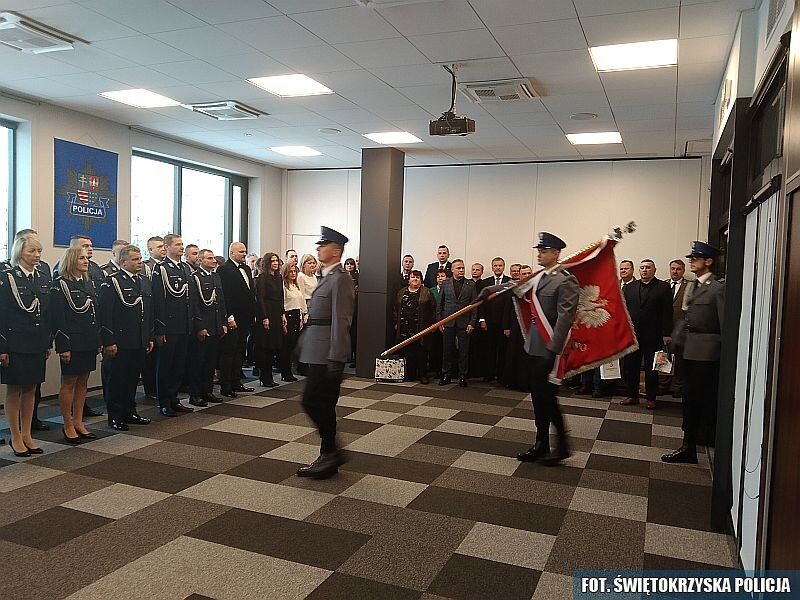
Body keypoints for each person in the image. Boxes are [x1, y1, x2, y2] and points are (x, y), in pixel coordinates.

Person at [492, 233, 579, 465]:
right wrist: (490, 289)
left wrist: (553, 349)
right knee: (538, 399)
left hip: (550, 349)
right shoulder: (539, 277)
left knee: (547, 398)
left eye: (544, 250)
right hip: (534, 345)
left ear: (557, 253)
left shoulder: (566, 280)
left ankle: (562, 445)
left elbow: (565, 318)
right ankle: (541, 443)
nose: (539, 254)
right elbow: (516, 287)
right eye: (539, 250)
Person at [296, 226, 355, 479]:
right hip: (317, 350)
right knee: (325, 406)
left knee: (311, 401)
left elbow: (341, 321)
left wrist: (336, 358)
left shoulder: (340, 279)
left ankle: (332, 451)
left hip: (327, 355)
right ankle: (328, 455)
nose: (318, 248)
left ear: (336, 250)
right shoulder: (327, 276)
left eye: (323, 245)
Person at [662, 242, 724, 464]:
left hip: (707, 353)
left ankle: (694, 445)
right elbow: (686, 318)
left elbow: (724, 324)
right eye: (691, 258)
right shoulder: (693, 287)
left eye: (696, 258)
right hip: (688, 349)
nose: (691, 261)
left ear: (708, 261)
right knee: (689, 399)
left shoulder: (717, 289)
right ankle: (689, 445)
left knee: (699, 399)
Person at [0, 235, 52, 456]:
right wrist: (2, 348)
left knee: (31, 388)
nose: (37, 255)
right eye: (32, 251)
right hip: (15, 342)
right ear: (20, 252)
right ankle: (15, 436)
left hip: (37, 341)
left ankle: (27, 433)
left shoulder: (41, 277)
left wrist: (47, 341)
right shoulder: (8, 277)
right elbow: (2, 313)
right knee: (15, 389)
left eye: (39, 251)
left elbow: (46, 313)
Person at [98, 245, 154, 431]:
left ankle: (130, 411)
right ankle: (115, 416)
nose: (140, 262)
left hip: (138, 339)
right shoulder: (112, 282)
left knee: (132, 379)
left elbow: (148, 313)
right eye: (135, 259)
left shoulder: (144, 281)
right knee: (116, 380)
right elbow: (105, 315)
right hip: (120, 341)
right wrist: (109, 341)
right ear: (123, 262)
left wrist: (148, 337)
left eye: (140, 259)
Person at [51, 246, 101, 443]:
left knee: (83, 382)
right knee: (69, 382)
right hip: (72, 341)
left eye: (85, 258)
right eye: (81, 258)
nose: (86, 261)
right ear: (71, 260)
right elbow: (58, 319)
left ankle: (79, 421)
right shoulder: (60, 285)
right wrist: (63, 346)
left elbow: (94, 316)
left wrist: (98, 340)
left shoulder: (88, 284)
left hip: (88, 339)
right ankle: (67, 424)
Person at [151, 234, 194, 416]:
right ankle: (164, 401)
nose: (181, 247)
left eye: (182, 244)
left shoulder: (185, 268)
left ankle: (174, 398)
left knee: (179, 365)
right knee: (166, 366)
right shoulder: (160, 269)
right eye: (177, 245)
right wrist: (160, 329)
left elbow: (189, 299)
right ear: (167, 247)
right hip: (169, 325)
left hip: (184, 325)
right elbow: (158, 301)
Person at [621, 259, 672, 409]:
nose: (645, 270)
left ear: (654, 270)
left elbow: (668, 312)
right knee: (631, 366)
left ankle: (651, 398)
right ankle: (632, 395)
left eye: (648, 268)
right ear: (638, 270)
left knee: (652, 368)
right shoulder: (629, 287)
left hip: (654, 335)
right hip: (633, 335)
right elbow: (624, 312)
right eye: (642, 267)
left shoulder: (663, 287)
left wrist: (666, 333)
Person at [216, 242, 259, 398]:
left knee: (240, 350)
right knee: (229, 352)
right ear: (231, 253)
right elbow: (225, 296)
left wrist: (253, 313)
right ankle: (226, 386)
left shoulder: (247, 268)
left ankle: (236, 382)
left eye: (245, 251)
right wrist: (229, 317)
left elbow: (250, 293)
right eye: (241, 251)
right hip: (233, 317)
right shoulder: (224, 269)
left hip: (246, 317)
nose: (243, 254)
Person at [187, 250, 227, 407]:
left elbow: (221, 302)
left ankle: (207, 391)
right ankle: (195, 394)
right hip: (204, 327)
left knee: (210, 362)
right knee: (198, 362)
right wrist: (200, 326)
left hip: (216, 325)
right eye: (210, 258)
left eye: (214, 258)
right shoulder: (195, 278)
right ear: (200, 260)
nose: (214, 261)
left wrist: (223, 322)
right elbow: (195, 305)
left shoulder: (215, 277)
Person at [437, 259, 477, 387]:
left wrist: (472, 322)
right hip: (448, 322)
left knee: (464, 352)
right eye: (458, 268)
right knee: (446, 350)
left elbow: (474, 305)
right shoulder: (445, 283)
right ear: (452, 270)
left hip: (464, 323)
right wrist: (439, 322)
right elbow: (440, 304)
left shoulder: (470, 284)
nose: (461, 270)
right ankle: (446, 375)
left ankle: (463, 376)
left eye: (462, 268)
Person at [394, 269, 435, 383]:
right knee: (408, 352)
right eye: (413, 277)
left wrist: (432, 324)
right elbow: (395, 309)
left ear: (421, 280)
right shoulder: (401, 292)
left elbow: (433, 309)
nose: (415, 279)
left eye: (418, 277)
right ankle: (410, 374)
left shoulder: (426, 292)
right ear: (408, 280)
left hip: (421, 328)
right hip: (405, 328)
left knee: (421, 352)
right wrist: (396, 323)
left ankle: (422, 375)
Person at [478, 257, 511, 383]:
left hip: (504, 322)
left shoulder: (509, 282)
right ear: (492, 267)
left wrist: (507, 324)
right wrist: (482, 319)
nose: (498, 267)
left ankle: (501, 376)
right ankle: (489, 374)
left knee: (503, 350)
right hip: (489, 321)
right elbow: (480, 303)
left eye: (500, 265)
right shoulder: (485, 282)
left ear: (504, 267)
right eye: (495, 265)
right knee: (489, 349)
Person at [255, 252, 284, 388]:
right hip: (267, 312)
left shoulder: (278, 277)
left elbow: (281, 297)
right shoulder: (262, 278)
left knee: (273, 346)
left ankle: (269, 376)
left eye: (277, 261)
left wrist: (282, 313)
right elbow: (260, 298)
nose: (275, 263)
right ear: (267, 263)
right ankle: (264, 376)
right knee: (265, 347)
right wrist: (264, 316)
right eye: (272, 261)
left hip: (277, 313)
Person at [501, 264, 531, 390]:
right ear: (519, 275)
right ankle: (513, 381)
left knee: (527, 355)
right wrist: (506, 327)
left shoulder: (535, 289)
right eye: (523, 274)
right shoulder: (514, 289)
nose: (526, 276)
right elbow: (507, 310)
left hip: (530, 327)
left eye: (528, 273)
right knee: (514, 354)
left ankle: (527, 382)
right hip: (514, 326)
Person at [666, 259, 689, 397]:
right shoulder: (663, 284)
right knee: (664, 358)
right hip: (665, 328)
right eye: (673, 268)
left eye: (678, 269)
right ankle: (663, 385)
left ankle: (678, 387)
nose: (675, 271)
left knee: (680, 360)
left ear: (683, 270)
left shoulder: (689, 286)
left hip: (681, 329)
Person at [280, 262, 306, 382]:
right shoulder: (284, 286)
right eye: (291, 272)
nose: (293, 274)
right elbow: (283, 304)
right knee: (287, 345)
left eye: (295, 271)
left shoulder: (295, 286)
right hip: (288, 315)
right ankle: (285, 372)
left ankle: (289, 370)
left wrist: (301, 317)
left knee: (293, 345)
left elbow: (300, 303)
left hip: (297, 315)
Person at [428, 268, 447, 379]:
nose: (440, 278)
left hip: (446, 322)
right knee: (435, 347)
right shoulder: (431, 290)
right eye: (438, 276)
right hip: (433, 324)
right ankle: (435, 369)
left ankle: (443, 370)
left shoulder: (450, 289)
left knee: (445, 348)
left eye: (443, 276)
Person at [344, 257, 359, 367]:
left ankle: (355, 357)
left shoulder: (357, 277)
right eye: (347, 264)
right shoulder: (342, 277)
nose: (349, 266)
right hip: (344, 310)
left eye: (351, 264)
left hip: (354, 310)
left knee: (354, 334)